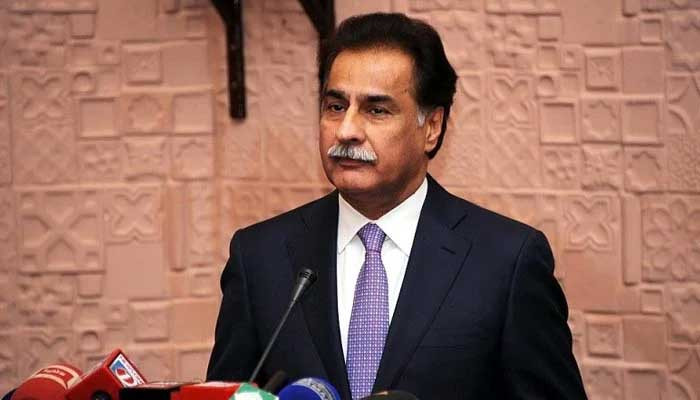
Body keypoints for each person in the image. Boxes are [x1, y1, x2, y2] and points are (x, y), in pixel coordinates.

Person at [207, 12, 587, 399]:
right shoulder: (260, 258)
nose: (346, 131)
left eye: (376, 110)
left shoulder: (507, 263)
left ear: (431, 127)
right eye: (335, 106)